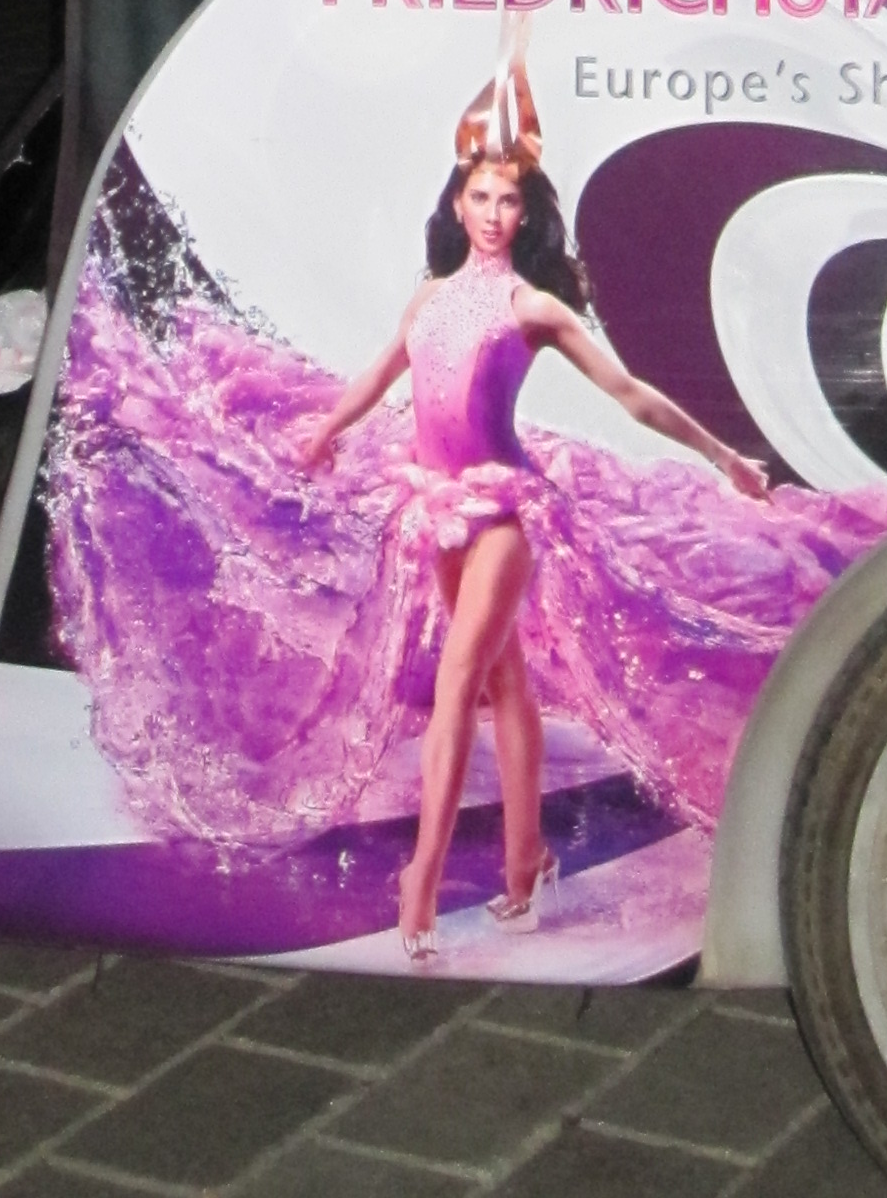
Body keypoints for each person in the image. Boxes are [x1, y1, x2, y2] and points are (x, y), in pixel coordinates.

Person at [292, 59, 768, 959]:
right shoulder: (431, 296)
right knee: (506, 682)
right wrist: (326, 430)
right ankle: (527, 864)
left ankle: (420, 883)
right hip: (435, 507)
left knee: (458, 685)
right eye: (480, 196)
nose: (492, 213)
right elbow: (381, 374)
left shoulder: (532, 305)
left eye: (508, 201)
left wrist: (723, 456)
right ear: (458, 202)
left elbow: (630, 394)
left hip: (500, 518)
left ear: (525, 215)